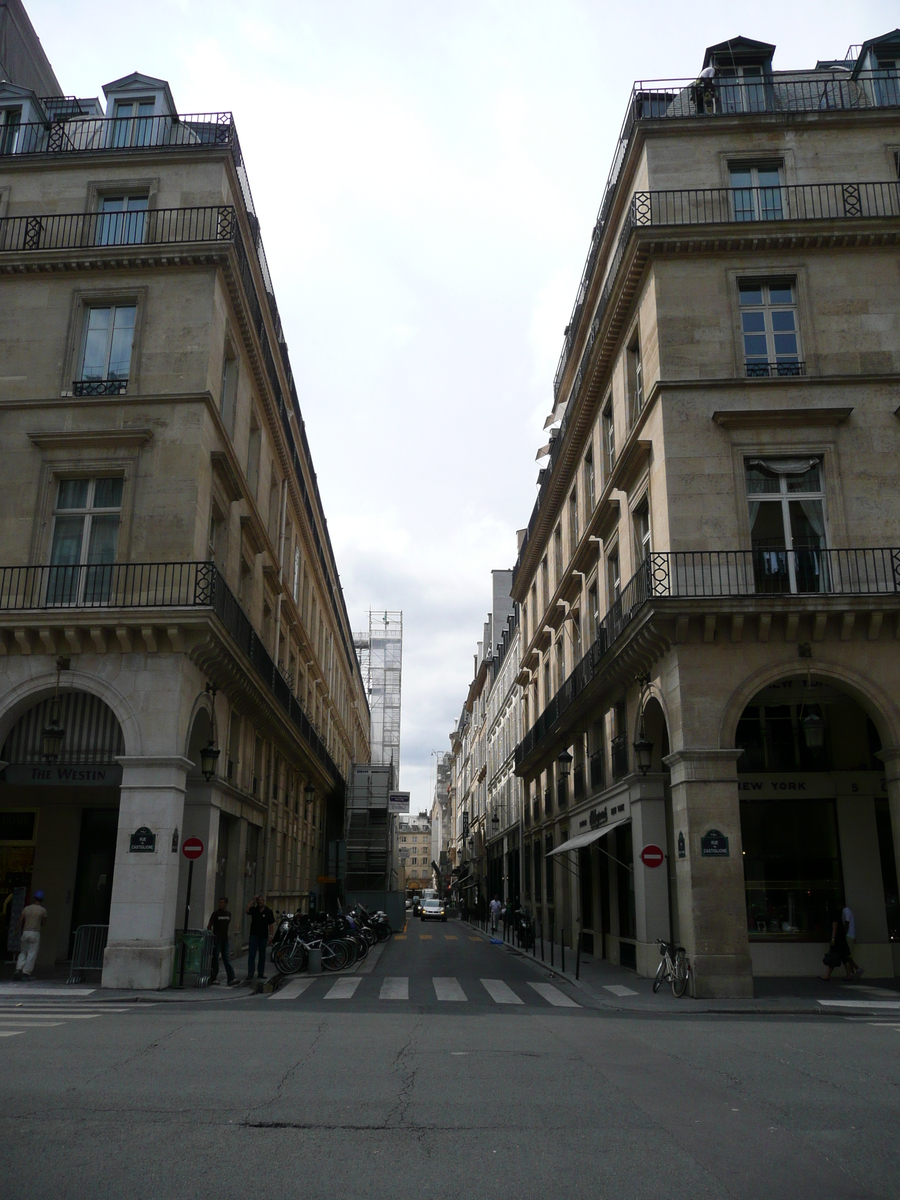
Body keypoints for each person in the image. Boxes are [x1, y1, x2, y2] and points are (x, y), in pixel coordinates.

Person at [14, 889, 47, 981]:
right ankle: (26, 973)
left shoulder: (26, 908)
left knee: (23, 952)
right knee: (32, 954)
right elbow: (44, 923)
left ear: (34, 898)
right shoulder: (43, 910)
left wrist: (16, 929)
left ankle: (18, 968)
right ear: (42, 899)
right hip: (35, 933)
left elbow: (20, 920)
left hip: (25, 932)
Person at [207, 896, 237, 985]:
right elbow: (209, 925)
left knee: (226, 958)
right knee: (215, 958)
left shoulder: (228, 914)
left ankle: (231, 978)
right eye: (219, 902)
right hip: (217, 938)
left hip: (224, 938)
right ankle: (213, 977)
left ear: (226, 904)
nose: (220, 904)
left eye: (222, 902)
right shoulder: (216, 914)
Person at [244, 894, 275, 981]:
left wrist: (271, 935)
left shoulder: (268, 911)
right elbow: (246, 910)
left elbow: (271, 924)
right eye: (258, 901)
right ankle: (250, 973)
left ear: (263, 901)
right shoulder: (254, 910)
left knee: (262, 955)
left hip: (263, 936)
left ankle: (260, 973)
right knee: (252, 954)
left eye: (261, 900)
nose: (259, 902)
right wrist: (252, 900)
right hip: (254, 935)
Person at [821, 904, 854, 981]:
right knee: (844, 957)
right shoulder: (838, 916)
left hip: (837, 940)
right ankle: (849, 975)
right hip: (842, 939)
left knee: (833, 956)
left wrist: (833, 939)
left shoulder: (833, 917)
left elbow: (834, 928)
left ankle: (827, 975)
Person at [841, 902, 864, 979]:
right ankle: (852, 972)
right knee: (847, 955)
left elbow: (847, 923)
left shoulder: (846, 911)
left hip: (848, 936)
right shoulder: (849, 911)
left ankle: (857, 969)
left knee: (846, 955)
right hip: (851, 935)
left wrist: (843, 934)